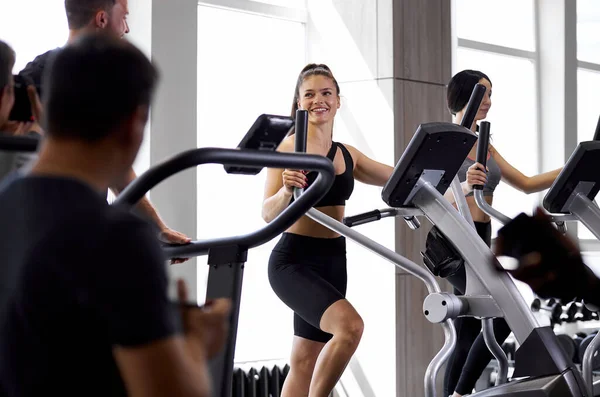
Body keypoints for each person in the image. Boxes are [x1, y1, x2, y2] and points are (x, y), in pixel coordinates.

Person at [0, 32, 230, 397]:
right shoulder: (114, 239)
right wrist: (199, 344)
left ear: (43, 106)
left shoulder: (6, 198)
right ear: (133, 124)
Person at [262, 63, 395, 397]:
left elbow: (400, 178)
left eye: (326, 93)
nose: (318, 100)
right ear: (298, 104)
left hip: (335, 261)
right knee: (350, 328)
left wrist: (457, 188)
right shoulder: (288, 148)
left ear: (338, 101)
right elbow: (267, 213)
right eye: (309, 94)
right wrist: (285, 191)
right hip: (293, 261)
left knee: (305, 360)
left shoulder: (347, 154)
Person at [15, 0, 190, 248]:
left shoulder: (101, 83)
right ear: (102, 19)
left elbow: (116, 171)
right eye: (124, 17)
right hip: (51, 232)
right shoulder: (41, 77)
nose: (126, 29)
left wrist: (159, 228)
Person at [442, 69, 564, 397]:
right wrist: (467, 185)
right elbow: (426, 195)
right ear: (462, 97)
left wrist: (572, 167)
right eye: (482, 95)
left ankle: (454, 394)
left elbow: (525, 184)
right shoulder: (444, 141)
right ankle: (460, 393)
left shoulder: (485, 145)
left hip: (482, 238)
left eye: (491, 95)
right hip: (453, 243)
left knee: (468, 329)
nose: (489, 102)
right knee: (503, 310)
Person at [494, 208, 600, 307]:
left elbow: (540, 213)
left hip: (525, 247)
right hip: (526, 246)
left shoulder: (572, 263)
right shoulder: (573, 263)